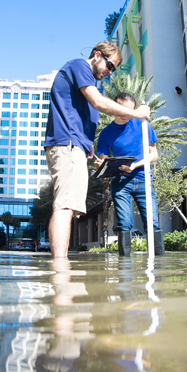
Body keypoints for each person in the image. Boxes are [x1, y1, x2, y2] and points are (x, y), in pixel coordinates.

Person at [44, 42, 150, 258]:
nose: (110, 72)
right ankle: (60, 267)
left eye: (113, 70)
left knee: (69, 206)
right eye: (110, 66)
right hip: (68, 145)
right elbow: (98, 102)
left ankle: (60, 263)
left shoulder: (86, 80)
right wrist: (135, 113)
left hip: (75, 146)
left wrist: (87, 143)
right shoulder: (79, 66)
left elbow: (76, 111)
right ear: (98, 55)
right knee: (65, 206)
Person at [95, 93, 163, 256]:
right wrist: (100, 166)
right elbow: (104, 162)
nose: (126, 114)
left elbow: (154, 155)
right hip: (120, 182)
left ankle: (158, 263)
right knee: (124, 223)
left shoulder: (143, 125)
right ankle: (124, 265)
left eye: (130, 110)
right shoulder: (105, 133)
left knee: (152, 223)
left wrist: (135, 165)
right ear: (114, 107)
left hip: (143, 179)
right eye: (122, 109)